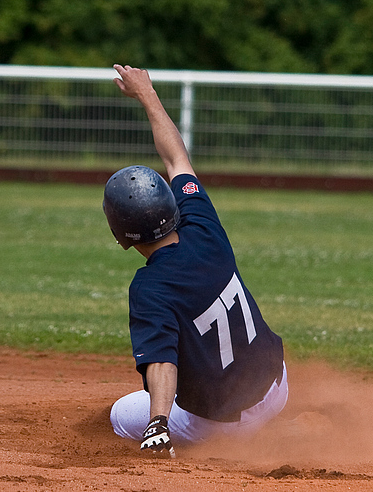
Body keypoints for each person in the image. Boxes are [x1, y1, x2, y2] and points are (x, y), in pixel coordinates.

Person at [104, 64, 287, 456]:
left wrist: (158, 423)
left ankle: (223, 438)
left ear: (120, 236)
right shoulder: (201, 223)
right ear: (171, 205)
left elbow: (161, 361)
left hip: (224, 424)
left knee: (120, 415)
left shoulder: (150, 287)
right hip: (278, 387)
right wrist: (147, 94)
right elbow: (176, 160)